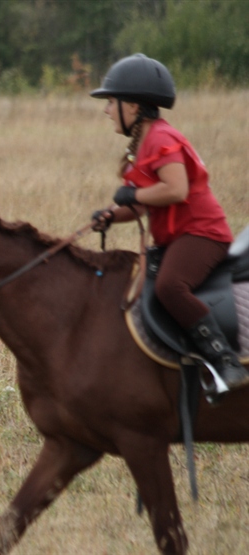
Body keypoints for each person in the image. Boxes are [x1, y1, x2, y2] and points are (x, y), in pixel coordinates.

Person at [89, 54, 248, 391]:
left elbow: (176, 190)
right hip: (177, 237)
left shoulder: (162, 138)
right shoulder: (144, 143)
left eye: (111, 102)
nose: (106, 110)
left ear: (133, 106)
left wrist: (132, 195)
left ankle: (225, 361)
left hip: (201, 234)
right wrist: (111, 215)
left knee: (169, 287)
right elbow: (142, 202)